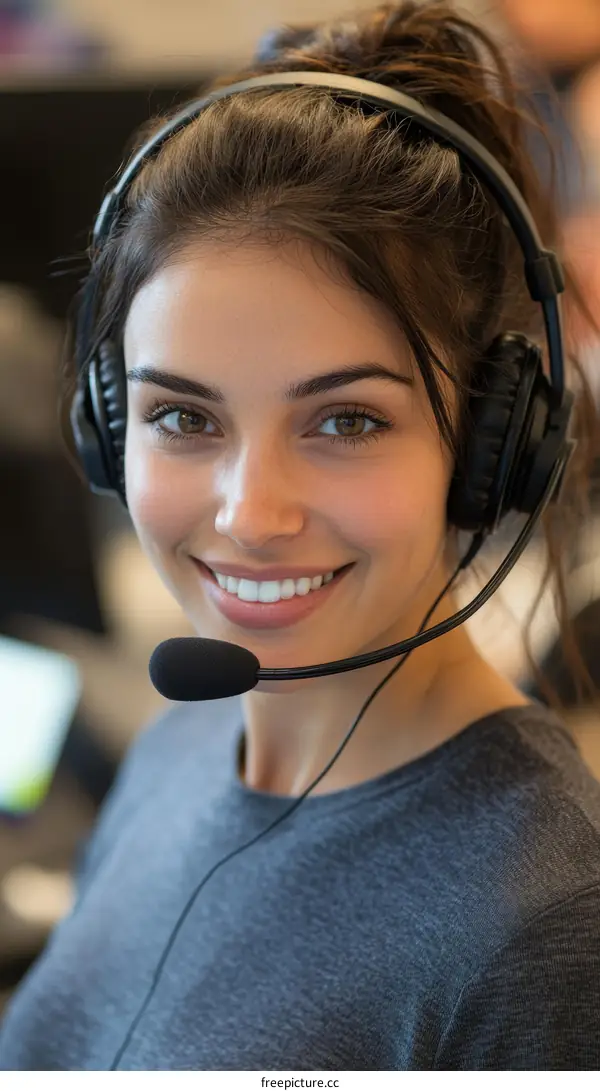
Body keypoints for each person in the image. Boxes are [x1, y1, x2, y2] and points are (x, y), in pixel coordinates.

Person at [2, 0, 600, 1072]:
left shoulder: (549, 927)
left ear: (487, 448)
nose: (249, 513)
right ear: (104, 426)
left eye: (346, 420)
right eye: (183, 416)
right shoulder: (183, 741)